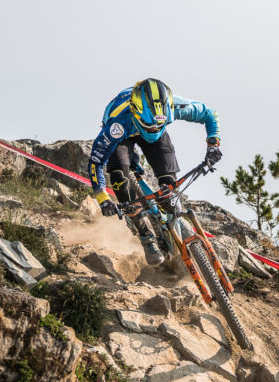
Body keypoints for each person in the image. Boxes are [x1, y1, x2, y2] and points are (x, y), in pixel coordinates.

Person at [89, 78, 222, 265]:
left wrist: (213, 145)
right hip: (124, 135)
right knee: (120, 180)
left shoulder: (175, 106)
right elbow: (96, 162)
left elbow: (209, 114)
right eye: (150, 125)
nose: (153, 129)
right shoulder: (117, 124)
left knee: (168, 186)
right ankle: (146, 237)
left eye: (158, 125)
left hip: (155, 136)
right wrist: (103, 199)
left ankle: (167, 212)